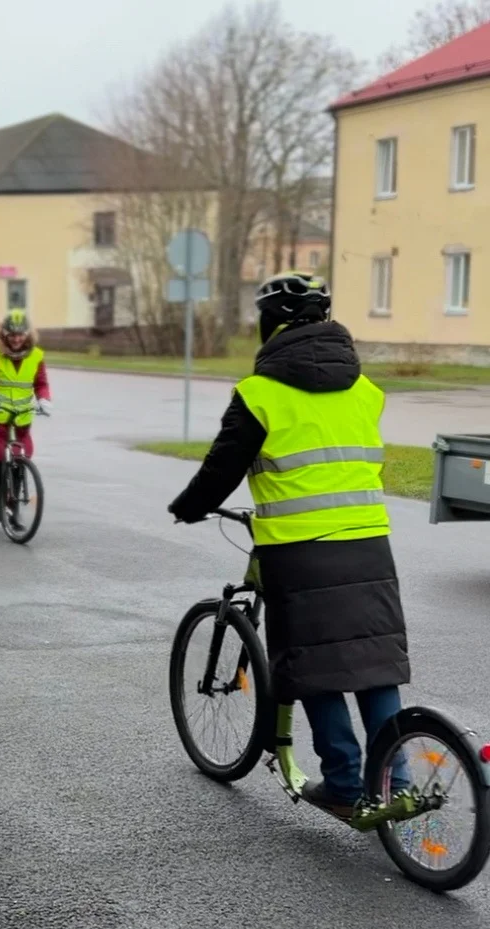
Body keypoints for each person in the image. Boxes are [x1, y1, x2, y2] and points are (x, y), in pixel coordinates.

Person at [166, 270, 410, 821]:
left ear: (269, 326)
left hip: (300, 550)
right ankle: (400, 779)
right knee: (374, 662)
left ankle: (345, 782)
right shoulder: (365, 390)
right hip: (370, 541)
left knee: (313, 664)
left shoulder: (260, 393)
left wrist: (189, 506)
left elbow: (222, 466)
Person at [0, 309, 52, 522]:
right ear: (4, 334)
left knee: (19, 459)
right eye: (12, 334)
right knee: (1, 456)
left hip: (22, 417)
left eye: (21, 334)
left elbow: (41, 383)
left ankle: (11, 508)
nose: (17, 339)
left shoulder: (36, 356)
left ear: (27, 334)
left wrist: (44, 399)